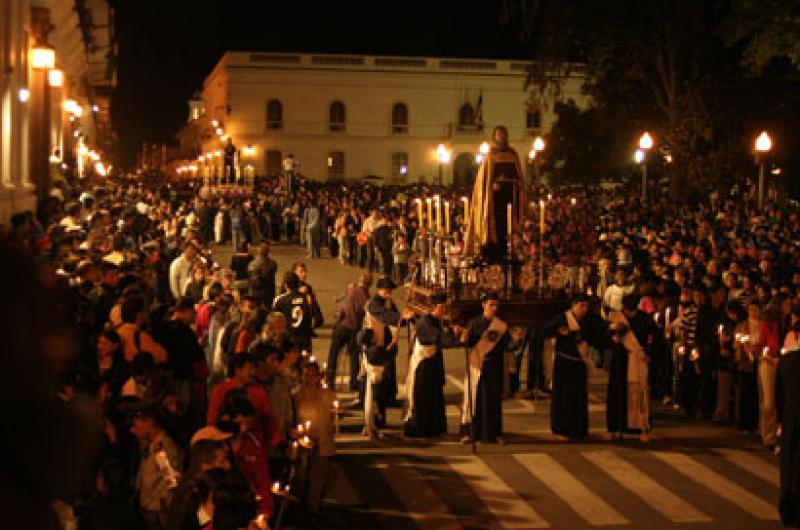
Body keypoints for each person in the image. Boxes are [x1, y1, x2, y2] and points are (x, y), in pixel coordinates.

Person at [459, 291, 523, 445]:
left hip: (494, 365)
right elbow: (467, 342)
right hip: (477, 364)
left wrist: (517, 341)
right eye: (490, 305)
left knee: (492, 400)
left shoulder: (500, 325)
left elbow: (508, 346)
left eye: (496, 305)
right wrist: (463, 339)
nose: (493, 308)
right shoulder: (474, 323)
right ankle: (470, 433)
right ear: (483, 305)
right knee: (473, 399)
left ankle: (494, 433)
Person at [463, 125, 525, 263]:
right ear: (494, 137)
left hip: (510, 196)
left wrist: (514, 182)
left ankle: (513, 249)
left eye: (503, 134)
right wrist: (493, 185)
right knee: (496, 226)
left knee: (509, 224)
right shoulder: (491, 155)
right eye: (498, 134)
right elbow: (483, 181)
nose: (501, 137)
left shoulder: (513, 154)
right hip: (495, 199)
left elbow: (519, 176)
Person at [404, 291, 462, 438]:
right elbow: (441, 339)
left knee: (434, 396)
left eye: (445, 307)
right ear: (434, 307)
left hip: (433, 362)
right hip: (423, 364)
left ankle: (434, 428)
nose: (444, 311)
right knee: (422, 397)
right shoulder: (426, 322)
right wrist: (458, 339)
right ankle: (421, 429)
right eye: (442, 307)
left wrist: (453, 331)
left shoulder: (436, 320)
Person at [359, 277, 409, 438]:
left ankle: (380, 421)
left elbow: (397, 319)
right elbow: (387, 317)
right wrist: (402, 318)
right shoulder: (374, 303)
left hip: (384, 348)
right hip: (373, 349)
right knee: (373, 389)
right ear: (379, 289)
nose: (388, 293)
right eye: (385, 289)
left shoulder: (388, 302)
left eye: (390, 290)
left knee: (382, 389)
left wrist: (405, 319)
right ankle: (371, 422)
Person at [544, 293, 594, 439]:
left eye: (586, 306)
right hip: (564, 363)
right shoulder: (562, 318)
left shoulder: (588, 320)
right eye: (581, 306)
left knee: (579, 397)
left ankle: (579, 429)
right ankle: (562, 428)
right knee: (564, 397)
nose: (584, 309)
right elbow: (545, 331)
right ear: (573, 305)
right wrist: (557, 331)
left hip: (579, 364)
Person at [606, 294, 655, 442]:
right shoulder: (617, 318)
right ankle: (616, 427)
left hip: (638, 359)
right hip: (621, 359)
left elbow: (654, 337)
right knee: (617, 392)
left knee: (640, 394)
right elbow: (606, 336)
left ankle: (640, 427)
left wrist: (649, 353)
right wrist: (612, 337)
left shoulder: (645, 319)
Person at [130, 403, 184, 530]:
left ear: (149, 423)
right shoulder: (153, 447)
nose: (132, 430)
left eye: (136, 425)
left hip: (157, 517)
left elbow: (171, 483)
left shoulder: (161, 450)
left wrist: (163, 512)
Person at [294, 360, 337, 519]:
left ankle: (313, 508)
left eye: (313, 375)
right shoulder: (296, 395)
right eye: (306, 375)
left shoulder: (327, 394)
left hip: (322, 440)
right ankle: (298, 506)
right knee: (301, 475)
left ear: (319, 377)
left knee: (317, 477)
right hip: (303, 441)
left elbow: (333, 414)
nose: (309, 379)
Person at [328, 272, 371, 390]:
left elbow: (342, 299)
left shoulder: (351, 289)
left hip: (342, 325)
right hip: (354, 328)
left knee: (334, 354)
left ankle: (330, 381)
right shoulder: (367, 297)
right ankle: (353, 383)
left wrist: (337, 298)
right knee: (354, 357)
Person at [777, 318, 800, 527]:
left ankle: (786, 508)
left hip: (790, 417)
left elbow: (779, 394)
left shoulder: (786, 361)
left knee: (788, 464)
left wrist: (780, 421)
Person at [273, 271, 323, 353]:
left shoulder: (280, 300)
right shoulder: (307, 299)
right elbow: (319, 320)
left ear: (285, 285)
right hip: (304, 340)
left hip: (287, 339)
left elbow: (274, 320)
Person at [247, 241, 277, 309]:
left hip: (256, 292)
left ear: (258, 250)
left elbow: (251, 277)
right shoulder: (273, 264)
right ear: (268, 251)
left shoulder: (252, 264)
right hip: (269, 292)